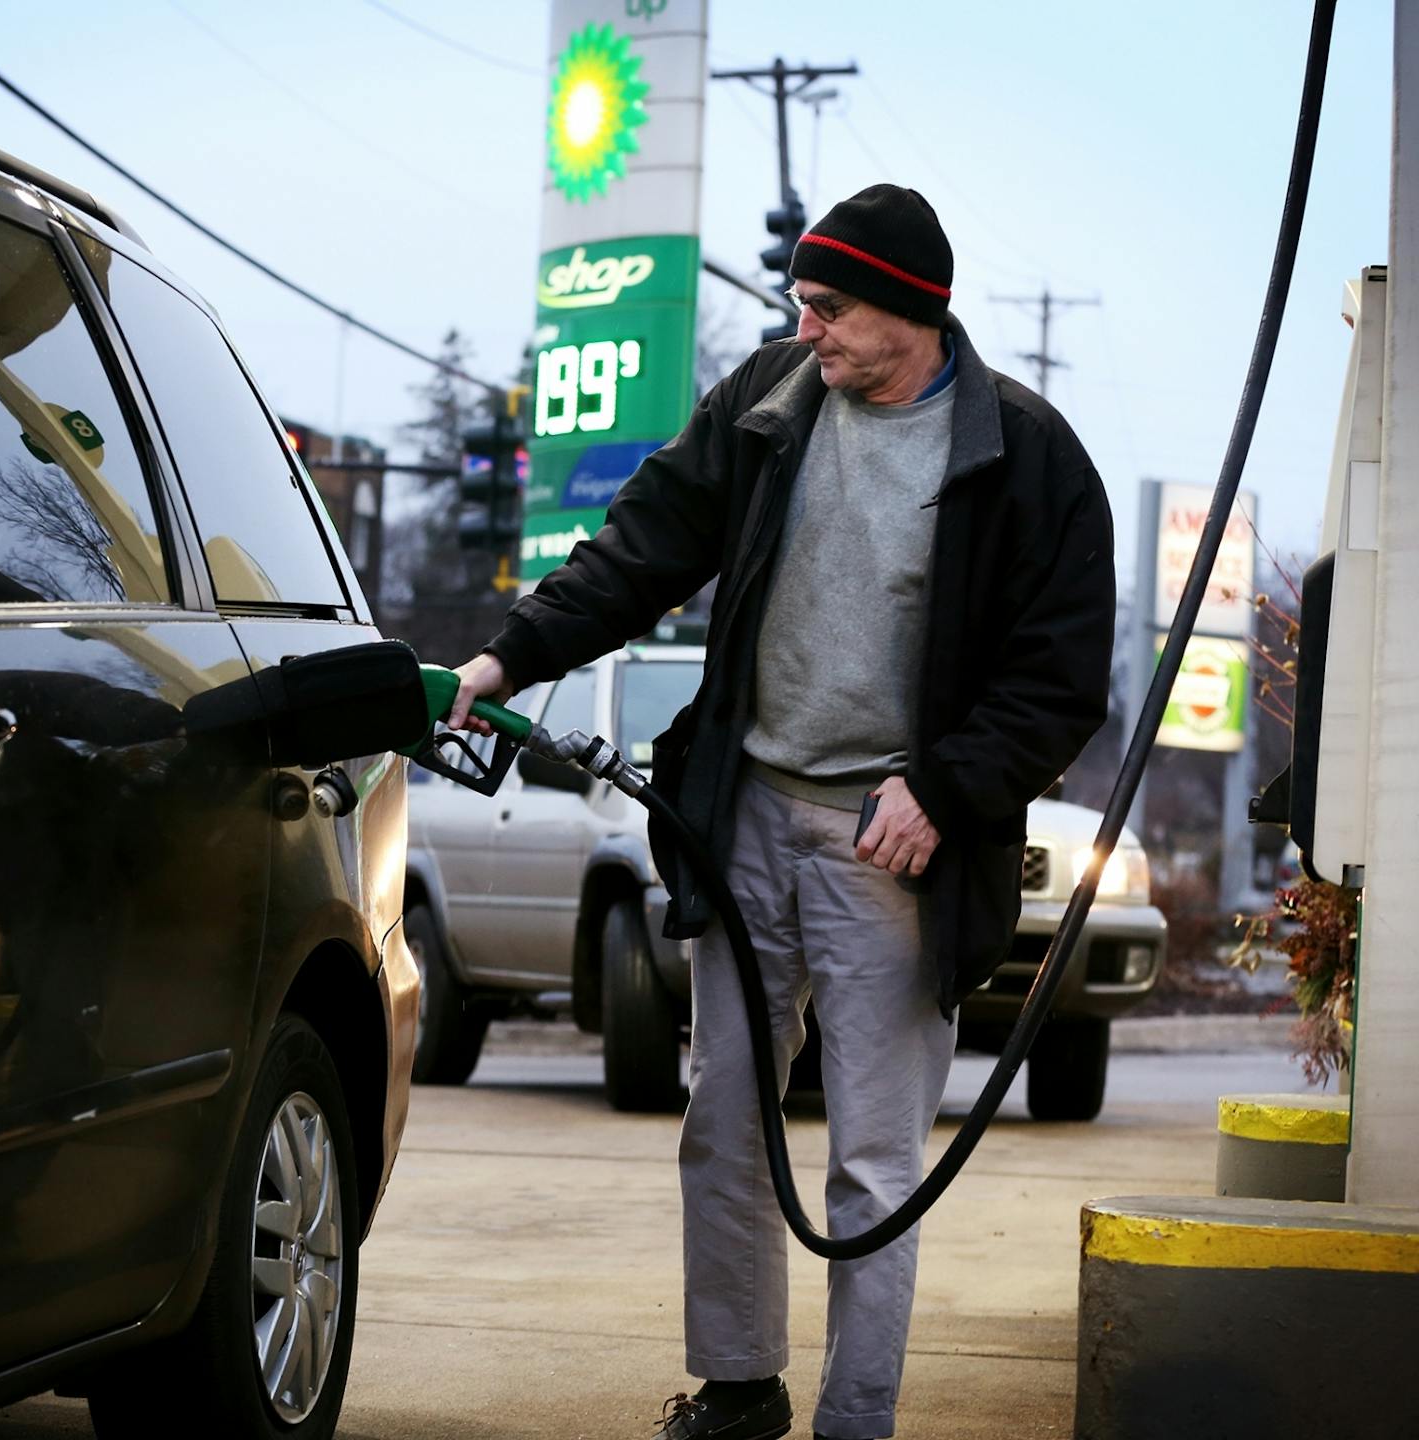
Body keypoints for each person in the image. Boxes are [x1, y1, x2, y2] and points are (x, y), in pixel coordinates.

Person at [445, 184, 1116, 1440]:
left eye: (832, 308)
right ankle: (741, 1387)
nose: (807, 328)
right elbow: (639, 546)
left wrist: (949, 787)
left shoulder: (1025, 455)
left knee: (870, 1162)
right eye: (801, 303)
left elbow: (1060, 675)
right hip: (746, 812)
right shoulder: (769, 404)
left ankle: (856, 1419)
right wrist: (505, 659)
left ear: (915, 310)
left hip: (893, 848)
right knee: (727, 1125)